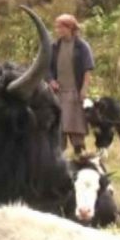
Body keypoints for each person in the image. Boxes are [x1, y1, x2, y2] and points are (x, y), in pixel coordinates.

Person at [48, 14, 95, 155]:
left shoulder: (82, 47)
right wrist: (51, 80)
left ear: (70, 28)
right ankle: (59, 158)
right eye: (57, 27)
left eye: (61, 27)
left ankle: (79, 155)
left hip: (75, 91)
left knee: (76, 127)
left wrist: (84, 90)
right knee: (59, 126)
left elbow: (88, 70)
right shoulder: (54, 47)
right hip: (58, 92)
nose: (58, 30)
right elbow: (47, 68)